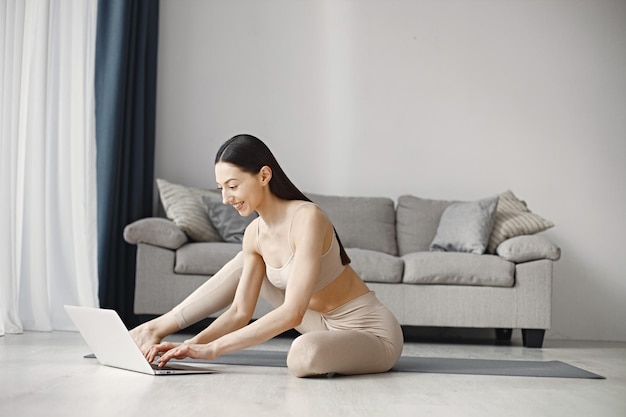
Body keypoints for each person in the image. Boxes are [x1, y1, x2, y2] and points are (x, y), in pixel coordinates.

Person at [131, 134, 404, 377]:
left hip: (369, 332)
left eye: (233, 186)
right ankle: (153, 329)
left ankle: (338, 352)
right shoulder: (254, 234)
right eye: (221, 188)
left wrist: (213, 349)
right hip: (319, 324)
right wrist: (190, 346)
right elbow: (239, 311)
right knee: (244, 262)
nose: (226, 198)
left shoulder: (308, 218)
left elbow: (293, 313)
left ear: (264, 176)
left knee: (303, 354)